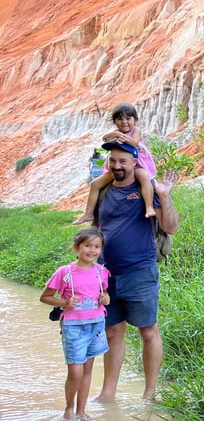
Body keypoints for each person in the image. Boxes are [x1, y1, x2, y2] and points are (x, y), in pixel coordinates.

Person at [91, 140, 179, 402]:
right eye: (113, 161)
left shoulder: (146, 190)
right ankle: (107, 394)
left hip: (140, 272)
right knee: (113, 332)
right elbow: (97, 229)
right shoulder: (103, 191)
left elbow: (171, 227)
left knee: (148, 331)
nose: (117, 166)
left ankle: (149, 395)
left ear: (134, 163)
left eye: (123, 161)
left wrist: (164, 195)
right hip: (106, 276)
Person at [40, 227, 111, 421]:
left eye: (97, 246)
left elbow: (104, 293)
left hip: (96, 325)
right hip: (73, 326)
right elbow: (45, 297)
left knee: (87, 369)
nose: (92, 250)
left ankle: (81, 411)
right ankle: (69, 409)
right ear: (76, 247)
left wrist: (106, 298)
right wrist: (64, 303)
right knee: (75, 370)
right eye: (87, 245)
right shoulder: (65, 272)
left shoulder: (102, 272)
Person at [73, 103, 157, 225]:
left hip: (137, 163)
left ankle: (149, 206)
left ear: (135, 120)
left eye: (128, 118)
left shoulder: (136, 130)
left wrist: (118, 135)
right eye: (119, 119)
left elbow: (133, 143)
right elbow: (105, 139)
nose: (124, 122)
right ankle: (88, 213)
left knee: (144, 177)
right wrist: (115, 136)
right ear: (114, 121)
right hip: (119, 166)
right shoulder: (116, 132)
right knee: (95, 184)